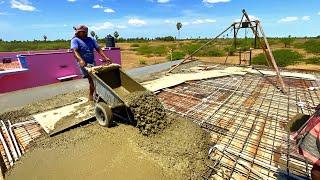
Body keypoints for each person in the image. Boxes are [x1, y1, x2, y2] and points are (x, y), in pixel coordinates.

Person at [71, 25, 111, 101]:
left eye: (85, 32)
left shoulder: (91, 39)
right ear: (78, 33)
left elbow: (98, 49)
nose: (84, 33)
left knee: (95, 78)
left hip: (92, 62)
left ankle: (92, 95)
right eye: (82, 32)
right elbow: (74, 51)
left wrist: (106, 57)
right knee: (92, 79)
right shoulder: (75, 40)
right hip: (83, 63)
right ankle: (95, 95)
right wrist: (80, 60)